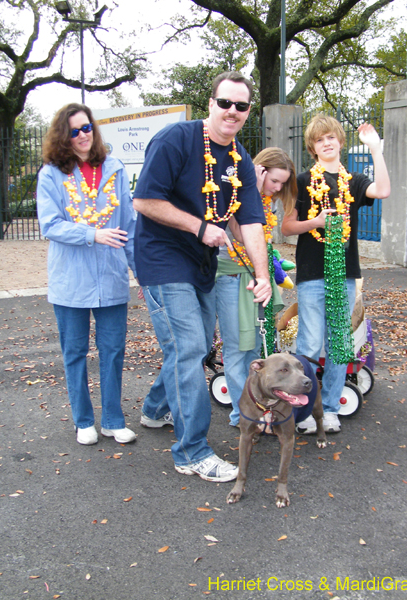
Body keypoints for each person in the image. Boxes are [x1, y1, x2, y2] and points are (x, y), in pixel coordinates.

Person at [134, 72, 272, 483]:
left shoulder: (241, 161)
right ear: (211, 103)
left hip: (202, 262)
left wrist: (262, 276)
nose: (232, 111)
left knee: (187, 347)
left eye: (241, 106)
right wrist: (198, 227)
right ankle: (192, 451)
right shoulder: (175, 139)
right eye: (225, 103)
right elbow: (143, 200)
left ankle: (155, 409)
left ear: (248, 112)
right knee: (190, 344)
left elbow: (250, 222)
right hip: (162, 257)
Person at [281, 114, 390, 434]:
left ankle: (329, 408)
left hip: (344, 273)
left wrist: (375, 149)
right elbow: (286, 226)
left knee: (340, 342)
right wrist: (314, 223)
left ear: (341, 142)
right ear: (313, 148)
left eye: (331, 137)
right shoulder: (301, 181)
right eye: (319, 139)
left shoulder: (353, 181)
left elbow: (382, 190)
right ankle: (302, 408)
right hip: (312, 273)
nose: (326, 143)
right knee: (310, 343)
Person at [37, 103, 138, 446]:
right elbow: (50, 225)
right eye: (74, 131)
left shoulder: (114, 167)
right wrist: (92, 234)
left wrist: (140, 272)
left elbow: (128, 225)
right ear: (63, 137)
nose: (83, 135)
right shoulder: (51, 173)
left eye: (87, 128)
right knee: (75, 352)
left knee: (113, 350)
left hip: (110, 276)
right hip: (71, 280)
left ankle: (112, 419)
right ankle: (83, 420)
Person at [216, 147, 295, 427]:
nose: (277, 188)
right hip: (230, 276)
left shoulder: (268, 201)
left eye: (282, 183)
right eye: (274, 180)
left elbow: (263, 242)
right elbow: (238, 234)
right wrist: (250, 188)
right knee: (238, 348)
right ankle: (243, 416)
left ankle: (253, 411)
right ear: (259, 171)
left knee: (253, 351)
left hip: (255, 276)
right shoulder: (236, 191)